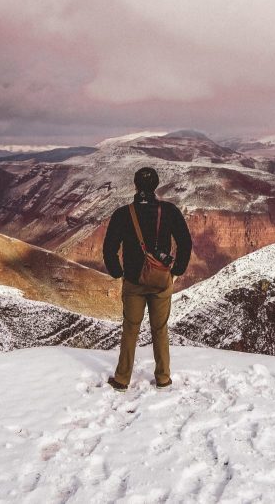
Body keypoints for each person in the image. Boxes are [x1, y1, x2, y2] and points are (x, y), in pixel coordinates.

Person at [102, 166, 192, 392]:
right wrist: (177, 270)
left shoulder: (123, 214)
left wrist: (117, 272)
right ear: (156, 185)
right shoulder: (169, 211)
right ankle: (163, 378)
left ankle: (122, 379)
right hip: (161, 281)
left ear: (135, 185)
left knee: (130, 329)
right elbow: (185, 242)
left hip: (133, 282)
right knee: (160, 329)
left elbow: (109, 247)